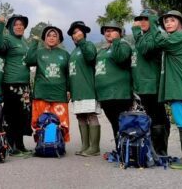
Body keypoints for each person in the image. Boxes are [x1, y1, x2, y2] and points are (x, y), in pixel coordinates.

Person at [151, 10, 182, 169]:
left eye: (171, 20)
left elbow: (158, 41)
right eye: (165, 21)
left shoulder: (179, 37)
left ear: (180, 23)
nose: (167, 23)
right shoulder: (173, 38)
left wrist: (153, 24)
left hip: (179, 86)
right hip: (177, 86)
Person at [131, 9, 170, 156]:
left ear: (153, 20)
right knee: (152, 117)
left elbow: (145, 49)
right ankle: (152, 149)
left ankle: (160, 151)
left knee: (158, 117)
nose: (142, 22)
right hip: (142, 87)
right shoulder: (142, 37)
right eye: (140, 19)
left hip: (152, 86)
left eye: (146, 19)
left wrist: (135, 30)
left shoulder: (156, 35)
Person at [0, 14, 32, 155]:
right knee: (11, 115)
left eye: (21, 24)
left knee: (23, 115)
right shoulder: (8, 38)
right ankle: (9, 144)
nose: (19, 26)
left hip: (25, 84)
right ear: (10, 27)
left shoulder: (24, 42)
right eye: (16, 24)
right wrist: (0, 25)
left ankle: (20, 144)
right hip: (11, 83)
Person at [25, 26, 70, 142]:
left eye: (55, 36)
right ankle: (41, 143)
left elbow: (69, 74)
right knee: (40, 121)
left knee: (61, 122)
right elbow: (29, 60)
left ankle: (59, 144)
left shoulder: (65, 54)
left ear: (59, 39)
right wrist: (34, 43)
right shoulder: (39, 53)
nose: (51, 38)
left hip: (59, 95)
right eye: (48, 36)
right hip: (41, 93)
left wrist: (69, 90)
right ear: (44, 39)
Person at [94, 21, 132, 149]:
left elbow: (120, 58)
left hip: (119, 93)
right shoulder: (102, 50)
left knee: (122, 123)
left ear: (120, 33)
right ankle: (120, 150)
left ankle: (126, 150)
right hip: (105, 95)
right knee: (114, 123)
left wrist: (116, 42)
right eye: (106, 31)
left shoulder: (124, 45)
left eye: (112, 30)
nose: (108, 33)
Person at [67, 21, 100, 156]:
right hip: (77, 90)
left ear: (84, 33)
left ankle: (95, 148)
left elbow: (91, 57)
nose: (76, 35)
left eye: (78, 32)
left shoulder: (88, 45)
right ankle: (85, 145)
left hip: (88, 89)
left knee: (91, 116)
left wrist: (82, 42)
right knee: (80, 117)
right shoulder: (73, 52)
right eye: (74, 33)